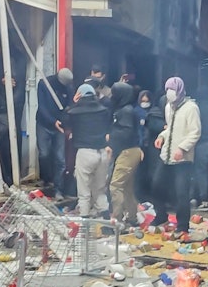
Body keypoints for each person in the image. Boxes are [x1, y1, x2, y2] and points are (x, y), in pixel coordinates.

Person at [155, 76, 201, 233]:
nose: (169, 92)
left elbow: (195, 132)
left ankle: (182, 226)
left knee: (182, 193)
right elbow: (170, 128)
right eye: (167, 89)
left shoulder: (191, 107)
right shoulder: (168, 107)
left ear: (180, 90)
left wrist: (182, 148)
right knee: (157, 185)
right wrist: (162, 136)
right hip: (166, 154)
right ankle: (161, 215)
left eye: (172, 89)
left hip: (183, 158)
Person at [60, 83, 111, 217]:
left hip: (85, 153)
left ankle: (84, 226)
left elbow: (64, 121)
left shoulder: (75, 111)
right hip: (102, 153)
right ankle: (107, 225)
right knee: (99, 191)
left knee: (84, 193)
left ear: (79, 95)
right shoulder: (103, 109)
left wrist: (73, 103)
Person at [105, 82, 143, 228]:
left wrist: (111, 137)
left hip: (128, 151)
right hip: (129, 151)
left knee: (115, 185)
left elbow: (126, 132)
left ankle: (117, 219)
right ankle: (132, 218)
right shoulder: (123, 109)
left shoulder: (126, 111)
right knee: (126, 187)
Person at [36, 67, 73, 198]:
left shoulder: (68, 87)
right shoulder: (44, 84)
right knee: (44, 154)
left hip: (60, 127)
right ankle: (46, 179)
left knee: (60, 160)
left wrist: (65, 123)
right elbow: (41, 107)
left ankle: (58, 190)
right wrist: (53, 122)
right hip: (44, 124)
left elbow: (69, 107)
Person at [136, 89, 167, 211]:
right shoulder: (139, 113)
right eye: (143, 100)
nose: (145, 102)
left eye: (147, 100)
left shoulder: (157, 113)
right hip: (145, 147)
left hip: (154, 148)